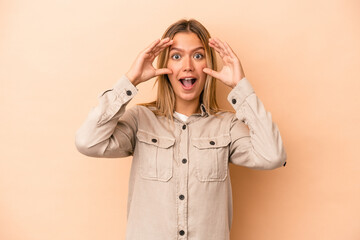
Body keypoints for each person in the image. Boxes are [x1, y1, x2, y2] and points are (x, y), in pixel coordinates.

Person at [75, 18, 287, 240]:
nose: (188, 66)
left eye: (198, 55)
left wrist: (240, 86)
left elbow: (272, 156)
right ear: (166, 66)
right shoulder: (140, 120)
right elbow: (87, 141)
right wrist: (131, 79)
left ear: (209, 66)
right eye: (176, 56)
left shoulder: (227, 125)